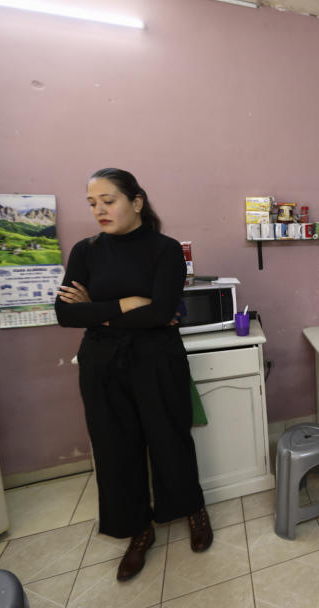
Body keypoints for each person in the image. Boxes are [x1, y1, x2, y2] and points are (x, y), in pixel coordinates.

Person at [55, 168, 212, 582]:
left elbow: (162, 312)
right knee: (114, 448)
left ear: (136, 201)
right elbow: (66, 314)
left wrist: (98, 310)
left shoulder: (165, 250)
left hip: (157, 360)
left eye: (109, 200)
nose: (99, 211)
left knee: (170, 438)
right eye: (92, 204)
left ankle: (191, 508)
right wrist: (126, 304)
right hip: (102, 365)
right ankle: (137, 529)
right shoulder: (85, 251)